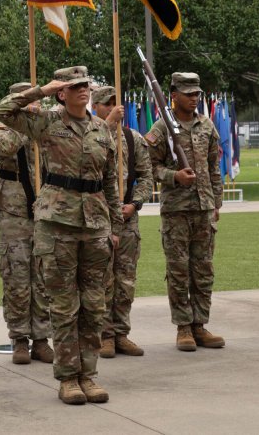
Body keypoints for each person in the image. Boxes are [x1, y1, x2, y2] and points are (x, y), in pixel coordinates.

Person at [0, 66, 122, 406]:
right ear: (63, 93)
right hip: (57, 225)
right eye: (75, 86)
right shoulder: (47, 122)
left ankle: (89, 375)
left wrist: (114, 227)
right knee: (65, 308)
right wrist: (41, 91)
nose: (83, 90)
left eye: (85, 85)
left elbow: (109, 181)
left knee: (94, 307)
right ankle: (68, 378)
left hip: (94, 226)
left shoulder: (99, 129)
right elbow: (1, 111)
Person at [144, 72, 225, 352]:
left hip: (203, 208)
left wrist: (217, 201)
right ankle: (183, 328)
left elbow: (214, 165)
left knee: (203, 270)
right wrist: (174, 176)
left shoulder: (206, 125)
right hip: (177, 211)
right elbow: (149, 167)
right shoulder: (162, 128)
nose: (193, 98)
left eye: (196, 94)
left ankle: (200, 324)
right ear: (173, 95)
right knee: (179, 272)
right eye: (188, 93)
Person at [0, 82, 53, 365]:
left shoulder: (46, 128)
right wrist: (24, 122)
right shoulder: (0, 130)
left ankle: (41, 338)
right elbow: (7, 148)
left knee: (42, 278)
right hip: (14, 213)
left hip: (44, 211)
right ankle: (19, 338)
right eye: (25, 101)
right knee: (16, 278)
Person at [90, 86, 153, 359]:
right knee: (101, 280)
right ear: (96, 108)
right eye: (107, 104)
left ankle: (121, 332)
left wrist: (135, 203)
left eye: (117, 103)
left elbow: (147, 177)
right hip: (98, 217)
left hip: (127, 218)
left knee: (125, 279)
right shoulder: (90, 136)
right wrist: (106, 125)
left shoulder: (132, 138)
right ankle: (104, 335)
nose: (115, 108)